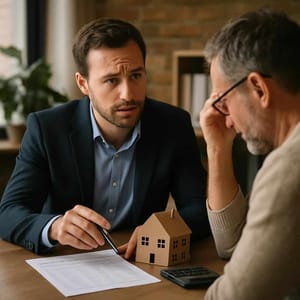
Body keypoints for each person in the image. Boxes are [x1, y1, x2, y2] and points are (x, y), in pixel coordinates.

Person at [0, 18, 210, 256]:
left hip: (139, 263)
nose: (127, 94)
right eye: (111, 80)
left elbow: (198, 209)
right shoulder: (47, 129)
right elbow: (8, 213)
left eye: (136, 76)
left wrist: (162, 229)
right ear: (83, 83)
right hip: (68, 263)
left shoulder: (173, 125)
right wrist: (54, 227)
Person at [200, 8, 300, 300]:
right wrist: (218, 147)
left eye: (222, 100)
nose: (225, 118)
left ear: (258, 87)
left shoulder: (289, 168)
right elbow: (235, 248)